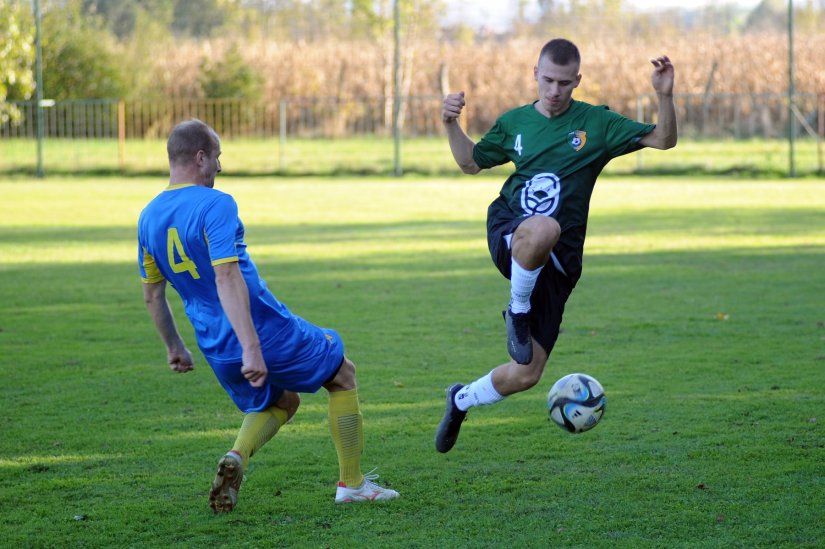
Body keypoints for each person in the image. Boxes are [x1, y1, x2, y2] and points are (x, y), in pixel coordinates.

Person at [138, 118, 399, 511]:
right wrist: (252, 348)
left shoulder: (148, 217)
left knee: (281, 402)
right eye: (218, 158)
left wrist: (175, 347)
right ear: (200, 157)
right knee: (343, 374)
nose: (220, 168)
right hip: (261, 331)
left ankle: (237, 457)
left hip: (213, 345)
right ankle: (353, 483)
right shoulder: (216, 204)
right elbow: (226, 274)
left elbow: (152, 296)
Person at [435, 38, 677, 453]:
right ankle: (518, 310)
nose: (554, 90)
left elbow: (664, 140)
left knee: (526, 373)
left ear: (577, 81)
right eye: (547, 80)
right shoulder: (515, 122)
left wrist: (663, 95)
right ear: (535, 74)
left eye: (564, 83)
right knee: (544, 227)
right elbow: (470, 162)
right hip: (511, 228)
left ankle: (461, 399)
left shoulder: (596, 124)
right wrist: (449, 123)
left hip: (559, 264)